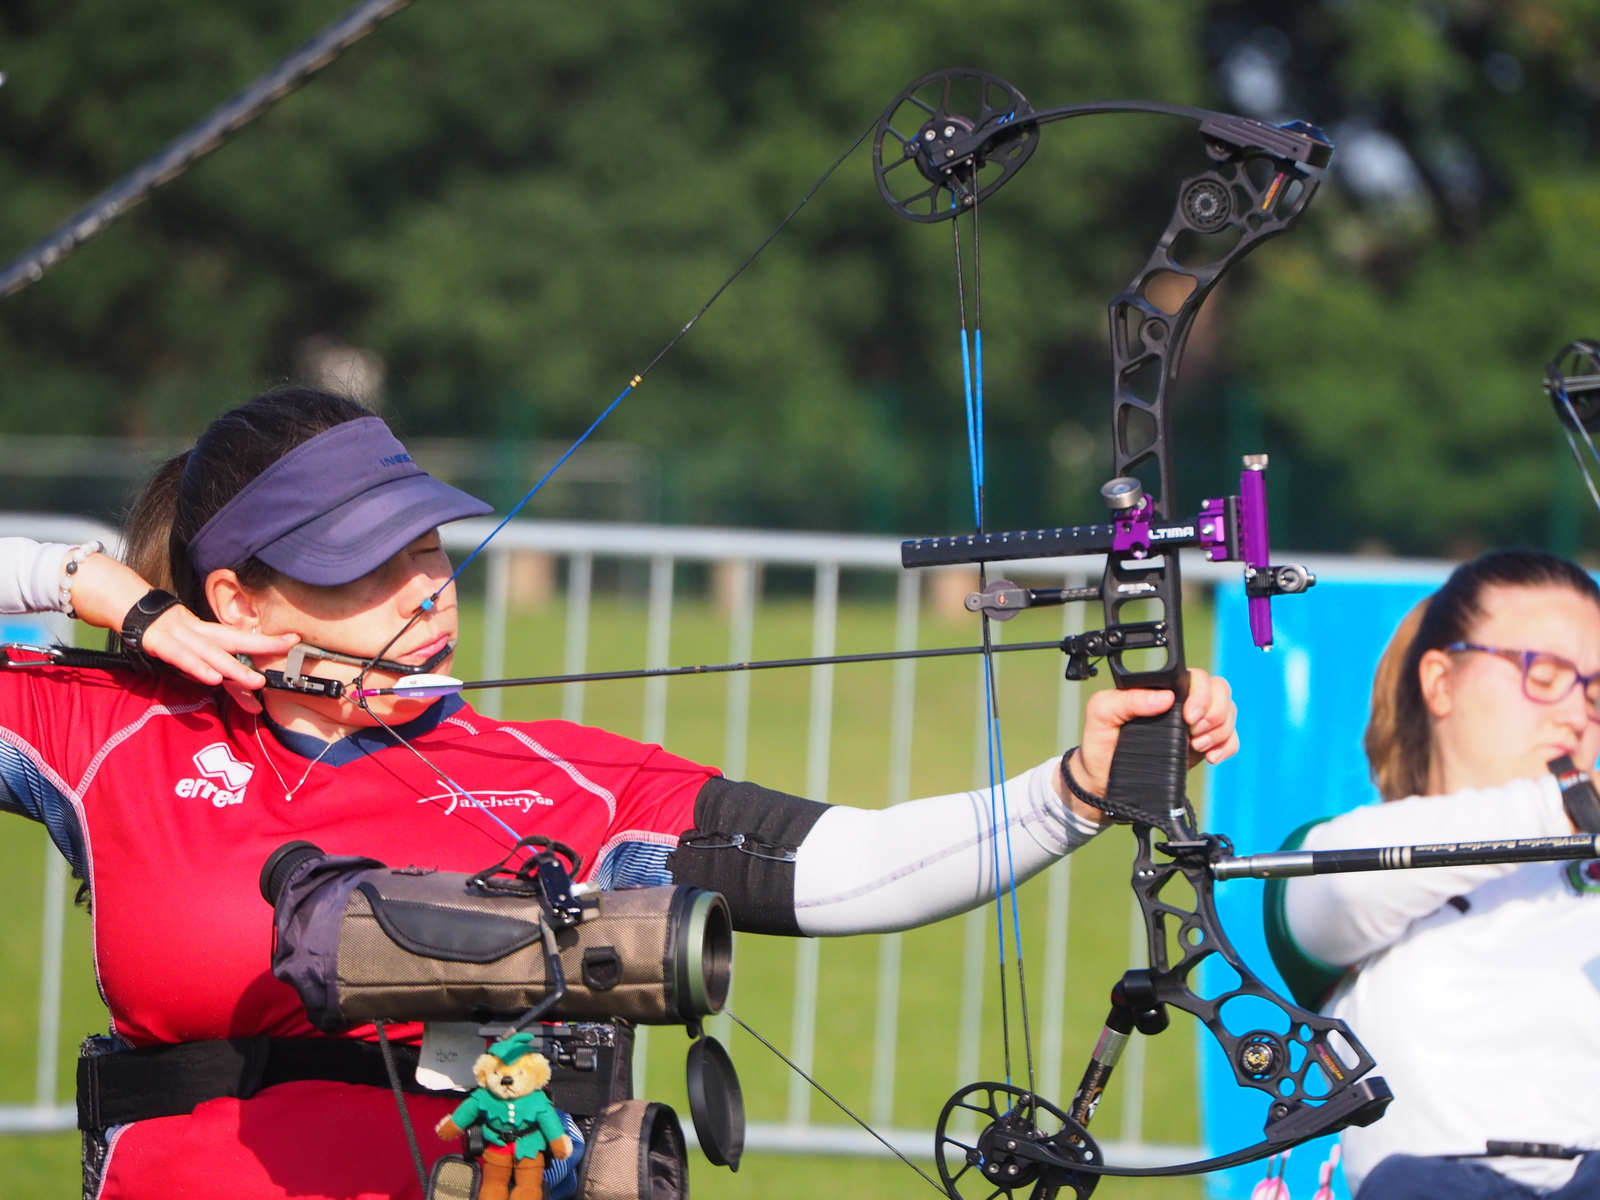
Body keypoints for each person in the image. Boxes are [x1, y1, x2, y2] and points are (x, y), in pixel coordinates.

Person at [0, 387, 1238, 1200]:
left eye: (427, 548)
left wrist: (1075, 788)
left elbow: (844, 866)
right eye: (362, 570)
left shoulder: (547, 776)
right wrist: (85, 583)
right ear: (235, 604)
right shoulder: (109, 732)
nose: (424, 592)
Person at [1266, 550, 1600, 1199]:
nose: (1577, 712)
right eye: (1547, 673)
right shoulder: (1347, 851)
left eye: (1596, 688)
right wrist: (1572, 801)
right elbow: (1339, 888)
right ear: (1441, 682)